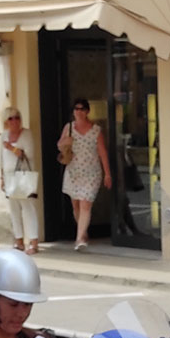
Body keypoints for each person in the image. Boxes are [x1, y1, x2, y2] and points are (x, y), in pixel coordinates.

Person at [58, 97, 112, 251]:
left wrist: (107, 174)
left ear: (87, 111)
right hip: (73, 172)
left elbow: (102, 152)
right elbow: (59, 145)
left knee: (85, 204)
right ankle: (83, 232)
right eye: (76, 109)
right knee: (76, 205)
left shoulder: (96, 130)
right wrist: (66, 142)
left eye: (82, 109)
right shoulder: (69, 127)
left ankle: (79, 238)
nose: (79, 112)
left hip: (91, 172)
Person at [0, 106, 39, 254]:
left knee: (28, 208)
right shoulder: (4, 135)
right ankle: (19, 240)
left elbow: (29, 154)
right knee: (14, 209)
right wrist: (1, 177)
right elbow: (1, 159)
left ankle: (33, 242)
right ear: (6, 121)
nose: (15, 121)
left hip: (23, 175)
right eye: (11, 118)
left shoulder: (26, 134)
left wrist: (12, 148)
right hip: (9, 176)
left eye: (17, 117)